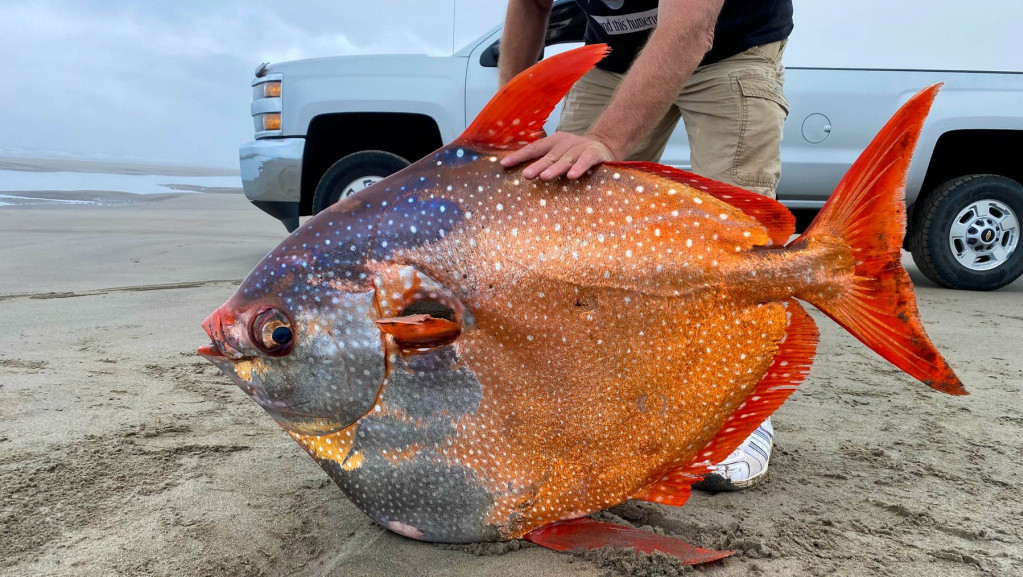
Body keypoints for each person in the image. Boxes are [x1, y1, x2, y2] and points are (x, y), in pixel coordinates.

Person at [497, 0, 793, 490]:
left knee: (739, 238)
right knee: (562, 217)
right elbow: (530, 5)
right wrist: (513, 127)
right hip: (616, 58)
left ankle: (739, 415)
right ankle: (590, 402)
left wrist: (606, 140)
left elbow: (691, 24)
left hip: (731, 44)